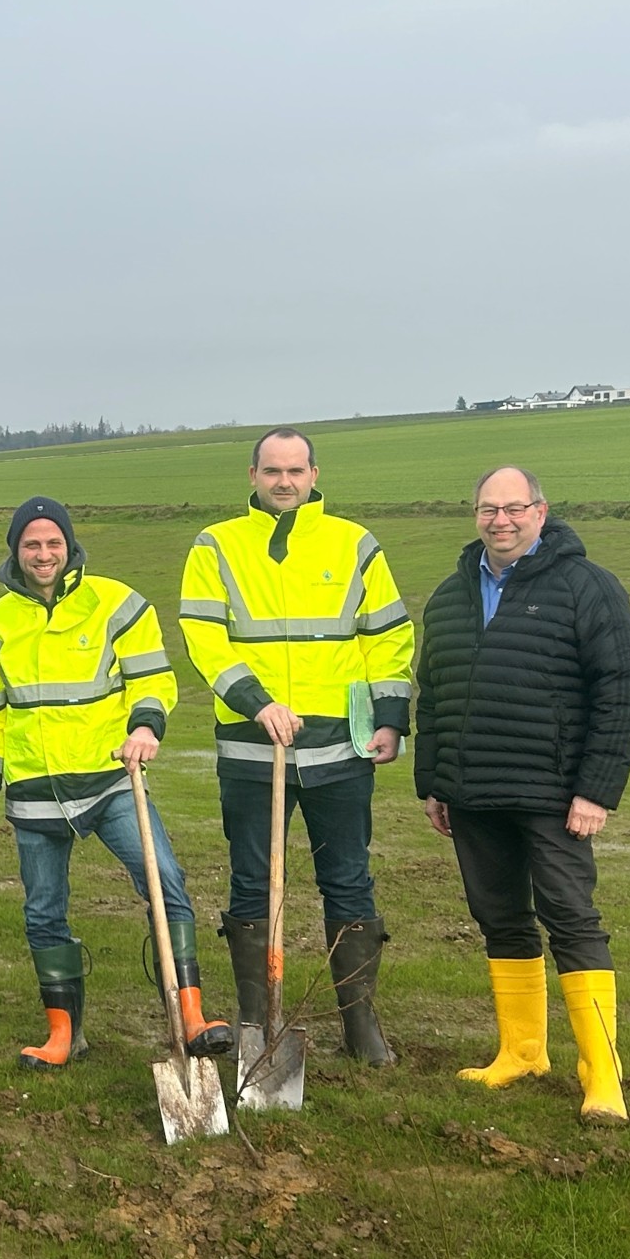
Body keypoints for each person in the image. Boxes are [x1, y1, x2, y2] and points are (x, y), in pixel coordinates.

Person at [0, 497, 232, 1070]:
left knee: (165, 880)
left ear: (70, 545)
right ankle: (64, 1034)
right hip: (35, 791)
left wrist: (145, 726)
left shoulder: (117, 602)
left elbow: (153, 679)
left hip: (113, 781)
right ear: (15, 550)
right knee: (43, 912)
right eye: (32, 544)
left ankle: (190, 1015)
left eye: (53, 543)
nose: (43, 554)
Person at [415, 467, 630, 1124]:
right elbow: (436, 691)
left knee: (572, 921)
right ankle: (521, 1052)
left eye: (515, 508)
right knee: (501, 919)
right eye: (489, 509)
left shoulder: (588, 588)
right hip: (475, 791)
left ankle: (603, 1075)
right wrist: (435, 781)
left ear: (541, 513)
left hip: (555, 795)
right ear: (475, 515)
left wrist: (596, 790)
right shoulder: (451, 594)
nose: (501, 520)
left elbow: (621, 691)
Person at [178, 427, 413, 1066]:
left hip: (341, 755)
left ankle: (359, 1024)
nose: (285, 481)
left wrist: (388, 718)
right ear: (252, 475)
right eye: (272, 470)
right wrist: (258, 703)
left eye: (296, 470)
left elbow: (386, 636)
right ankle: (258, 1021)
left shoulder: (354, 544)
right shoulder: (216, 545)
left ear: (314, 475)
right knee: (252, 884)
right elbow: (204, 636)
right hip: (255, 755)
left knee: (349, 881)